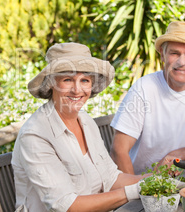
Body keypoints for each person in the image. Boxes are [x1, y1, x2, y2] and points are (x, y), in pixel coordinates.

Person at [12, 42, 148, 212]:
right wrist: (134, 191)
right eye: (67, 80)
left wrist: (154, 179)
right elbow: (67, 205)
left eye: (84, 80)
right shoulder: (35, 135)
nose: (77, 90)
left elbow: (111, 178)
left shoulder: (86, 121)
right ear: (51, 83)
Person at [110, 21, 185, 175]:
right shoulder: (144, 88)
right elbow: (119, 150)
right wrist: (138, 190)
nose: (182, 62)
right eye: (174, 53)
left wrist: (179, 154)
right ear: (163, 54)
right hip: (144, 182)